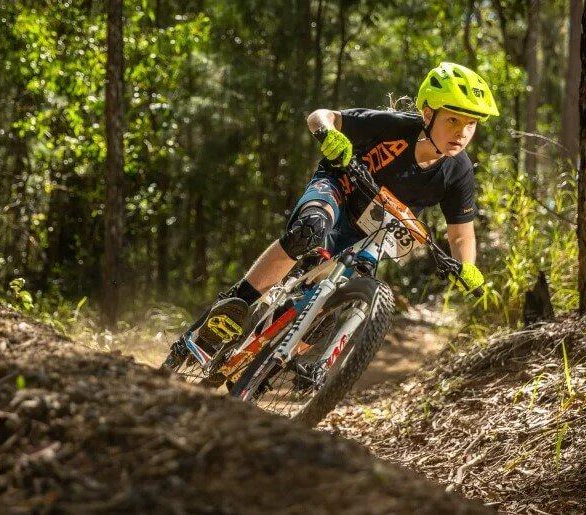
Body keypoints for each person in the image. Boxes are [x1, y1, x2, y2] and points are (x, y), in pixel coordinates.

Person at [167, 62, 498, 363]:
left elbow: (461, 232)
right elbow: (320, 116)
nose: (462, 132)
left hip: (371, 227)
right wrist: (328, 136)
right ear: (428, 113)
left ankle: (265, 363)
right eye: (453, 120)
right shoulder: (394, 126)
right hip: (339, 189)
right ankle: (234, 306)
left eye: (471, 124)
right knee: (308, 232)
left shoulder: (459, 171)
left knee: (337, 297)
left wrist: (467, 267)